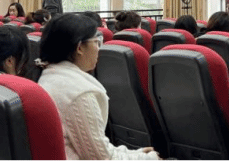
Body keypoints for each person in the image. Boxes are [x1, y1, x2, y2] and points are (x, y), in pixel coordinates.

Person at [37, 13, 160, 161]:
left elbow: (93, 149)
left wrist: (136, 154)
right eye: (96, 42)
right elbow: (101, 158)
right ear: (79, 48)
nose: (98, 49)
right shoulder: (79, 92)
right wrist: (150, 158)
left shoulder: (50, 76)